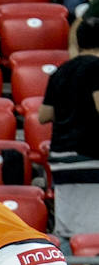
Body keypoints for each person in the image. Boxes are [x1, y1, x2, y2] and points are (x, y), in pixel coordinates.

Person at [38, 18, 99, 237]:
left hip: (61, 161)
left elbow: (43, 116)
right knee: (93, 234)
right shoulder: (97, 68)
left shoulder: (61, 71)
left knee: (66, 230)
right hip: (90, 159)